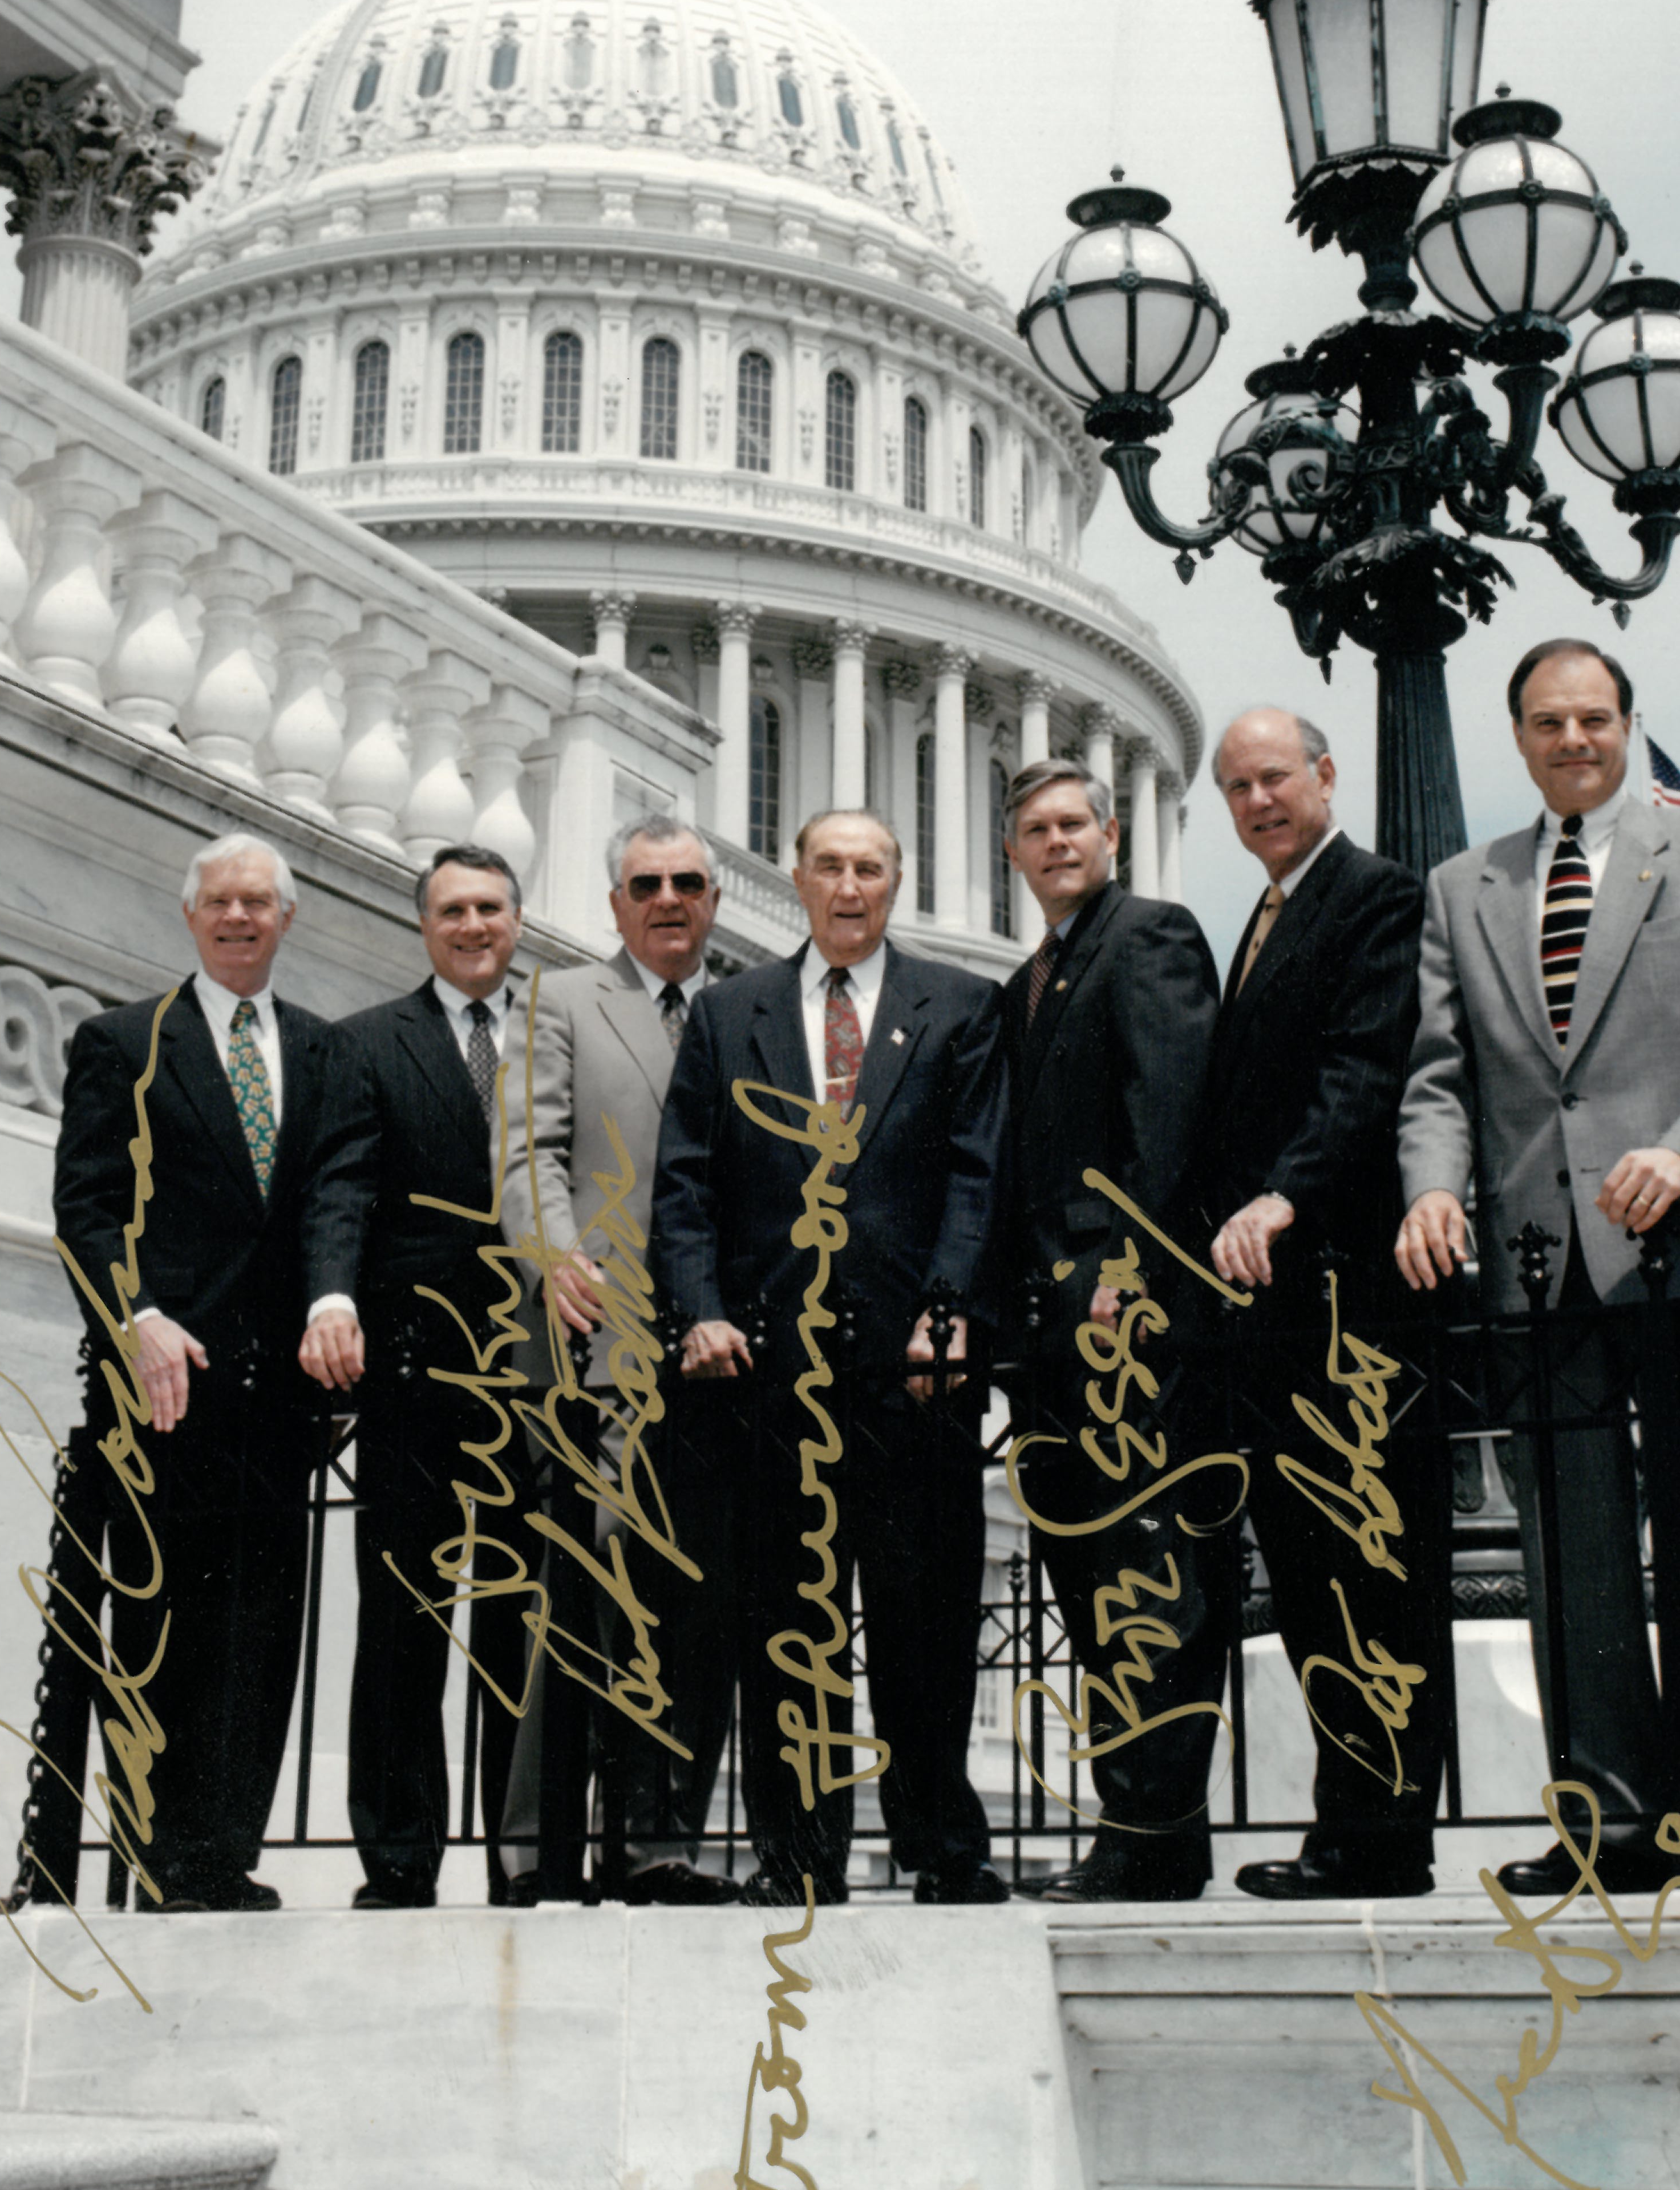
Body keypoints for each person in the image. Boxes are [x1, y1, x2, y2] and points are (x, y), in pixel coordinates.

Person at [1395, 640, 1680, 1897]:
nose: (1572, 740)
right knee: (1570, 1545)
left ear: (1628, 723)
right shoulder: (1466, 884)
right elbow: (1439, 1073)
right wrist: (1429, 1188)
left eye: (1592, 718)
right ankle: (1612, 1819)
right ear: (1517, 737)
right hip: (1538, 1252)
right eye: (1546, 723)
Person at [650, 808, 1006, 1908]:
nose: (849, 887)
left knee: (925, 1621)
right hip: (767, 1377)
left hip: (915, 1373)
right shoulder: (728, 1013)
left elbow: (978, 1176)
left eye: (871, 868)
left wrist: (944, 1311)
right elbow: (685, 1183)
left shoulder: (961, 1007)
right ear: (796, 880)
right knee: (788, 1625)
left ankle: (942, 1849)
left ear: (898, 880)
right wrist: (700, 1310)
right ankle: (800, 1859)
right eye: (830, 867)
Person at [50, 834, 370, 1912]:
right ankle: (148, 1849)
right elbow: (85, 1208)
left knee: (261, 1626)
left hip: (278, 1398)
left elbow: (336, 1194)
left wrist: (333, 1297)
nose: (239, 918)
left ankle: (214, 1856)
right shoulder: (122, 1041)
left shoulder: (328, 1056)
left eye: (259, 903)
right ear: (190, 918)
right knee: (153, 1624)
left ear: (288, 921)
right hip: (160, 1384)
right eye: (220, 902)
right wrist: (131, 1318)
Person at [1184, 708, 1439, 1903]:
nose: (1257, 803)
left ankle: (1379, 1836)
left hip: (1343, 1289)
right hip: (1276, 1309)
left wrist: (1283, 1197)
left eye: (1274, 778)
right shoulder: (1269, 914)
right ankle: (1357, 1825)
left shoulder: (1373, 896)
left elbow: (1364, 1070)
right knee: (1311, 1570)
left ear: (1327, 776)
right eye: (1236, 788)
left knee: (1364, 1567)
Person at [989, 757, 1226, 1904]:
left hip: (1129, 1315)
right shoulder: (1029, 978)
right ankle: (1133, 1820)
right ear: (1014, 852)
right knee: (1085, 1575)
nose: (1057, 843)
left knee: (1152, 1576)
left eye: (1074, 823)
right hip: (1050, 1333)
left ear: (1112, 832)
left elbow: (1171, 1120)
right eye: (1036, 829)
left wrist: (1129, 1267)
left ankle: (1161, 1831)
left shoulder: (1154, 937)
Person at [503, 812, 737, 1905]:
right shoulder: (562, 1004)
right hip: (607, 1342)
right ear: (615, 903)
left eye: (688, 882)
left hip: (727, 1355)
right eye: (646, 884)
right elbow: (530, 1150)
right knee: (592, 1595)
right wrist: (554, 1255)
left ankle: (662, 1842)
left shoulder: (747, 1012)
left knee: (698, 1612)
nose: (668, 900)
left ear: (715, 899)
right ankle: (537, 1844)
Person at [314, 844, 539, 1909]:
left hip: (539, 1377)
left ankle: (521, 1856)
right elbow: (343, 1188)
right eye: (453, 910)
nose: (473, 926)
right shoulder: (366, 1044)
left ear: (519, 918)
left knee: (523, 1622)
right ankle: (399, 1859)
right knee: (405, 1620)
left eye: (490, 908)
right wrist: (333, 1296)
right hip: (414, 1369)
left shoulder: (558, 1037)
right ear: (425, 926)